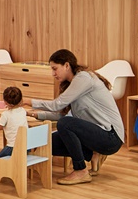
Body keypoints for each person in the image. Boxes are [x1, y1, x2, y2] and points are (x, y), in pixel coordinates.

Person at [25, 49, 124, 185]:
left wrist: (28, 101)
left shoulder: (83, 78)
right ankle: (92, 154)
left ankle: (81, 170)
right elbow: (63, 115)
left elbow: (57, 106)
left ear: (67, 65)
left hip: (111, 136)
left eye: (55, 69)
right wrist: (33, 113)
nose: (53, 73)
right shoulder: (73, 84)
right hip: (97, 133)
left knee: (65, 124)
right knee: (48, 143)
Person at [0, 86, 29, 185]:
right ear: (21, 99)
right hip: (26, 146)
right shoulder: (23, 111)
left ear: (5, 102)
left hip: (12, 147)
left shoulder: (6, 114)